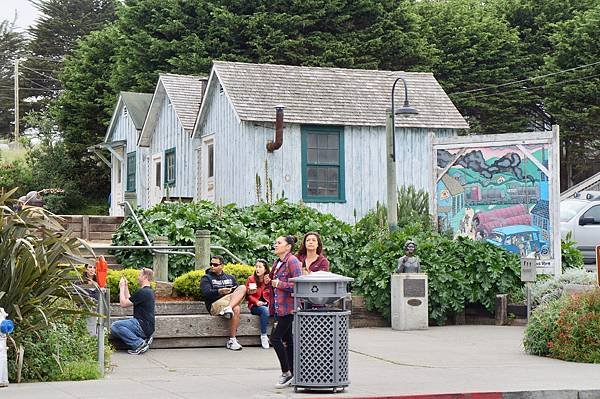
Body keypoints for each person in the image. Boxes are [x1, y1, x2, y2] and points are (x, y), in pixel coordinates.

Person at [265, 235, 302, 388]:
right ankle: (293, 373)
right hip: (279, 307)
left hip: (289, 308)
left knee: (275, 338)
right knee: (288, 340)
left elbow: (298, 285)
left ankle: (286, 372)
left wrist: (279, 283)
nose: (276, 245)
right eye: (275, 243)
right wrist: (270, 281)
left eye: (279, 243)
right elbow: (274, 283)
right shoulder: (277, 262)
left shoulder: (292, 261)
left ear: (288, 247)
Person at [200, 255, 247, 351]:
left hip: (229, 301)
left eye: (215, 264)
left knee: (242, 287)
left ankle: (229, 308)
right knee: (236, 308)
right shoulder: (206, 278)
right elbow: (206, 293)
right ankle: (232, 340)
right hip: (215, 304)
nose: (212, 266)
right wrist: (219, 291)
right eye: (211, 264)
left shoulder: (230, 277)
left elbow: (237, 291)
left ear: (222, 265)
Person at [110, 268, 155, 355]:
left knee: (115, 326)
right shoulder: (148, 291)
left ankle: (139, 344)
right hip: (146, 326)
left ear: (145, 277)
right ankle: (144, 339)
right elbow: (130, 299)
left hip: (141, 325)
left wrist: (122, 287)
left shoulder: (143, 292)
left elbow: (123, 304)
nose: (137, 277)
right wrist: (126, 286)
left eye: (139, 275)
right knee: (122, 323)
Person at [245, 258, 271, 349]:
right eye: (256, 267)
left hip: (268, 304)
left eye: (260, 267)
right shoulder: (251, 279)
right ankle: (263, 335)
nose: (257, 269)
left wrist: (269, 283)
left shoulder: (269, 279)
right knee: (264, 310)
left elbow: (273, 294)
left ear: (265, 269)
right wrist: (257, 302)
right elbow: (248, 295)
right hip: (255, 306)